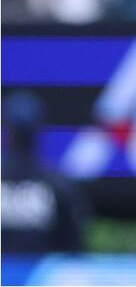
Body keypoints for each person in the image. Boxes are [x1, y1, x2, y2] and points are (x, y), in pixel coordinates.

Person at [1, 91, 90, 252]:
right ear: (37, 132)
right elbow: (75, 247)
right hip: (44, 274)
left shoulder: (59, 187)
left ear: (7, 131)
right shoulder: (59, 185)